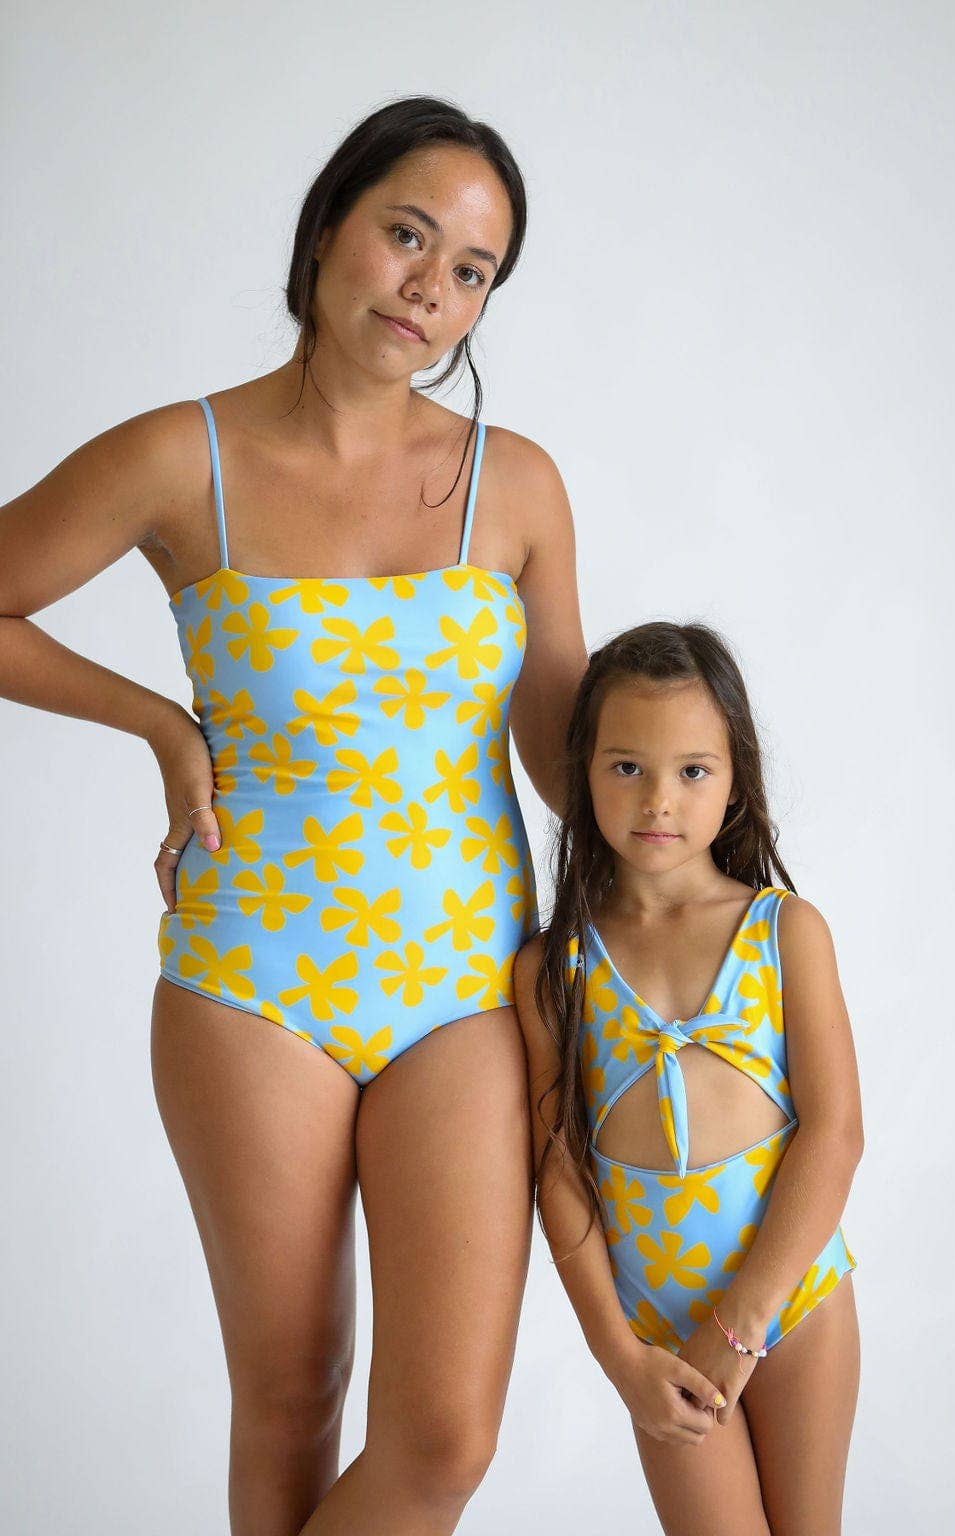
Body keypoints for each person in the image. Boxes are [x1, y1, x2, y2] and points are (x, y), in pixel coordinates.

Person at [0, 97, 586, 1536]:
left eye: (470, 271)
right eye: (407, 235)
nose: (429, 289)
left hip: (470, 984)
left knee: (442, 1440)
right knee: (291, 1396)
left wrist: (711, 875)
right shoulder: (179, 455)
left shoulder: (514, 482)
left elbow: (570, 751)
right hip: (253, 977)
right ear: (329, 225)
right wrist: (158, 724)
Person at [514, 621, 862, 1536]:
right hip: (659, 1343)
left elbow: (836, 1134)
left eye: (693, 771)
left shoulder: (784, 932)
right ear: (584, 771)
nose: (658, 800)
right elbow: (558, 1168)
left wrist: (744, 1321)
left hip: (790, 1299)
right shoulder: (555, 968)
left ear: (736, 777)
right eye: (627, 767)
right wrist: (619, 1357)